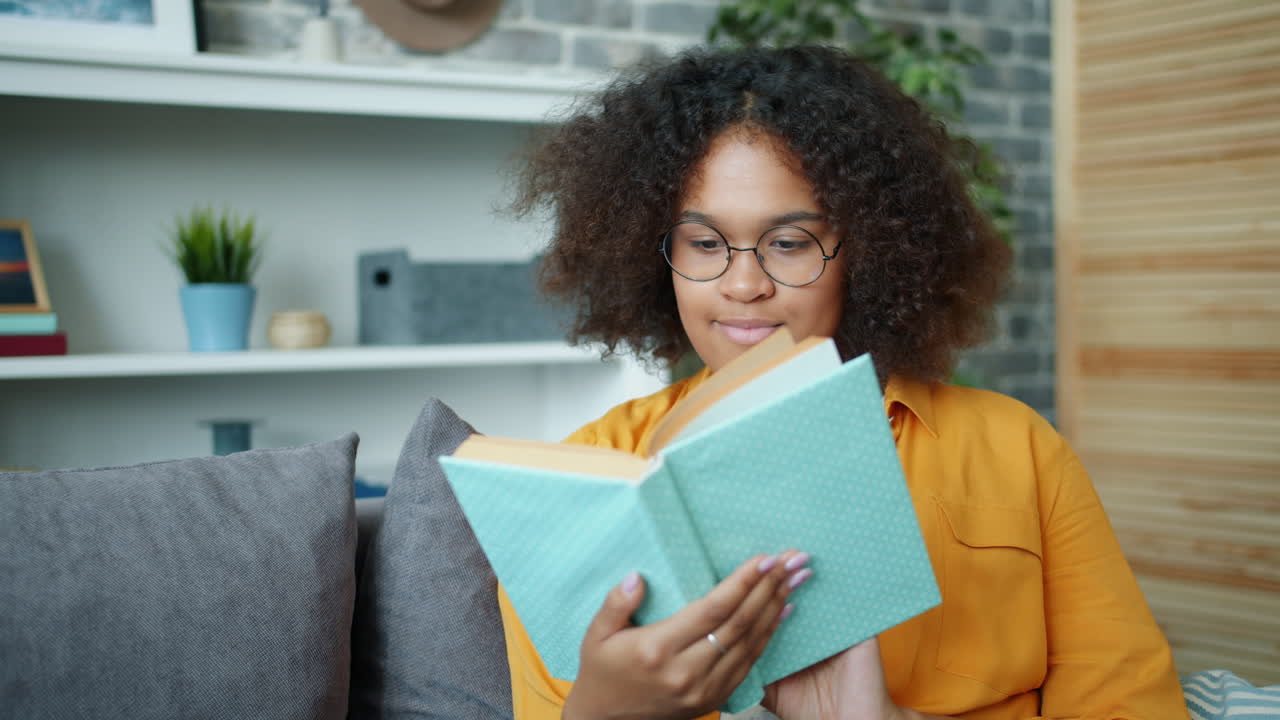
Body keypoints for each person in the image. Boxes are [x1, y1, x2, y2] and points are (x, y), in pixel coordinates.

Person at [499, 45, 1188, 720]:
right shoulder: (590, 477)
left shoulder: (1017, 449)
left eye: (791, 243)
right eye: (705, 244)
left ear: (867, 249)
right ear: (658, 257)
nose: (745, 285)